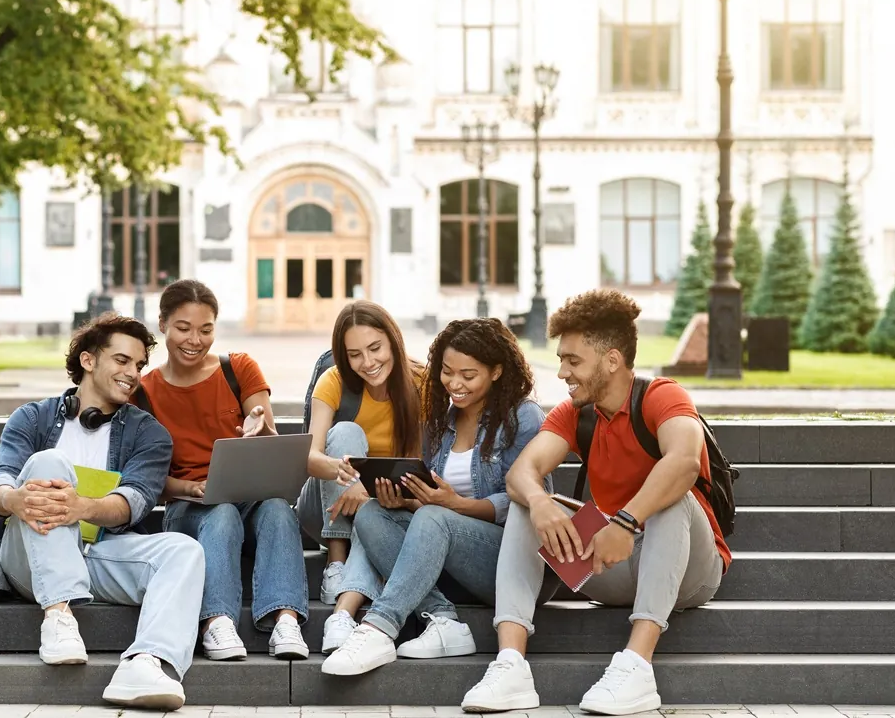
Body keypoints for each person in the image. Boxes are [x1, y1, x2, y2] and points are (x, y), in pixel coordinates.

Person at [461, 289, 731, 715]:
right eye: (561, 360)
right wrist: (541, 502)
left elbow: (683, 462)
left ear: (612, 360)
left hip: (689, 572)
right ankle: (511, 665)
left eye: (573, 361)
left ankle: (637, 666)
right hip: (611, 565)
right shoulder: (575, 412)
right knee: (526, 503)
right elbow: (521, 473)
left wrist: (624, 522)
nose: (562, 372)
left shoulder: (662, 396)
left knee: (672, 496)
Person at [0, 313, 206, 711]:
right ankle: (59, 616)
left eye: (139, 365)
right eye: (122, 360)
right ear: (88, 360)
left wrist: (81, 507)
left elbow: (134, 502)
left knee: (184, 550)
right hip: (29, 558)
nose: (133, 373)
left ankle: (147, 663)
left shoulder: (149, 434)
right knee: (48, 463)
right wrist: (14, 500)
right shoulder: (34, 417)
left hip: (99, 554)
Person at [320, 318, 546, 676]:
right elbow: (433, 498)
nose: (454, 384)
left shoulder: (523, 416)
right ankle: (443, 619)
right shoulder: (443, 419)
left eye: (468, 375)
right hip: (447, 560)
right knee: (372, 514)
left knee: (434, 516)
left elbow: (529, 503)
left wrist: (456, 505)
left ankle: (379, 626)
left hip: (508, 563)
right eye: (446, 371)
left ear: (497, 371)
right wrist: (407, 499)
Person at [139, 280, 310, 662]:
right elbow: (146, 480)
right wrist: (189, 488)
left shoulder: (238, 368)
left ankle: (285, 620)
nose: (195, 340)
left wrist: (260, 429)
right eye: (183, 328)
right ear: (163, 324)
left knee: (278, 509)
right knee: (221, 513)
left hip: (249, 501)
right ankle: (216, 622)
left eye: (206, 329)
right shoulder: (145, 392)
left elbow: (271, 444)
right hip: (189, 508)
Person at [294, 300, 424, 653]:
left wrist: (369, 493)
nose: (367, 362)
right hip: (324, 506)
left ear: (393, 341)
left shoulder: (422, 383)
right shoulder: (334, 380)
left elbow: (424, 465)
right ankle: (336, 562)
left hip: (386, 504)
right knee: (345, 432)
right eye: (354, 354)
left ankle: (342, 616)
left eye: (375, 348)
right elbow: (310, 456)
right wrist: (349, 476)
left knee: (373, 514)